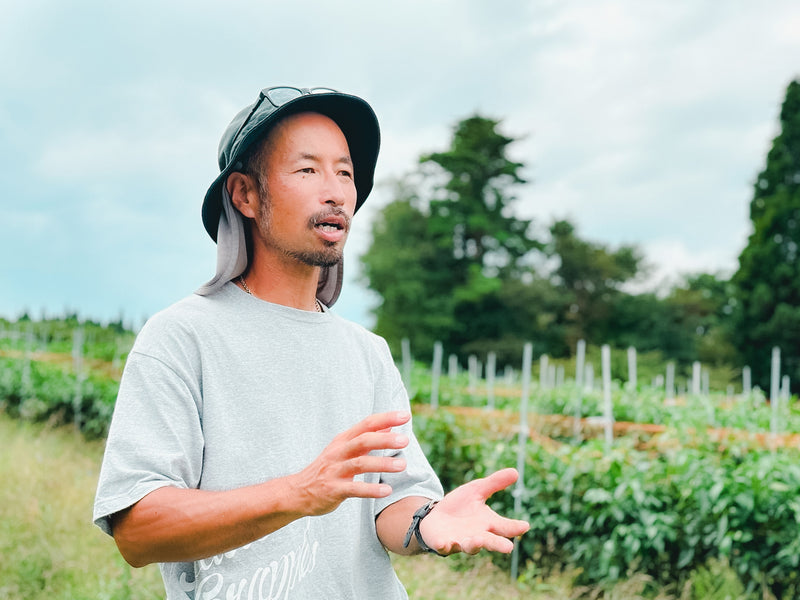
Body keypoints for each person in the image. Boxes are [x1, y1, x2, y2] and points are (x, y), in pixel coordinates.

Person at [93, 86, 530, 600]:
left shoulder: (367, 352)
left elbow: (388, 504)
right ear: (245, 195)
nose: (337, 192)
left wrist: (428, 522)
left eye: (345, 172)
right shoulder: (182, 337)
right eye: (308, 170)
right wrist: (299, 493)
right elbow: (139, 530)